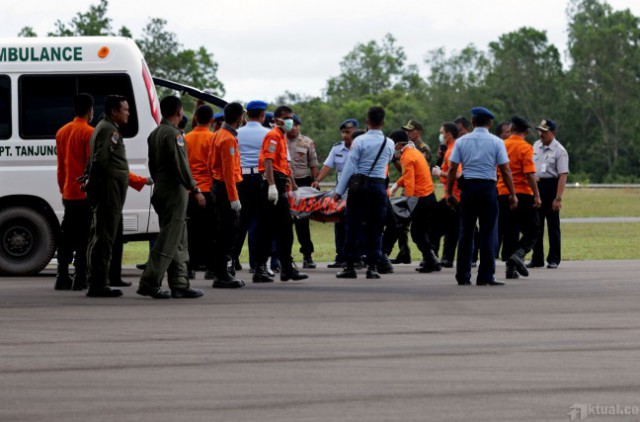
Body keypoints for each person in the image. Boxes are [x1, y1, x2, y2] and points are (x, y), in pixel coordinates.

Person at [137, 96, 204, 299]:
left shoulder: (155, 134)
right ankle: (150, 281)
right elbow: (181, 165)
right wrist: (195, 189)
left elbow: (152, 164)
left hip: (160, 188)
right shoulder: (174, 135)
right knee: (169, 239)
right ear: (179, 112)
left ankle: (179, 284)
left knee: (178, 237)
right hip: (174, 191)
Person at [446, 107, 517, 286]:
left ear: (472, 122)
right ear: (490, 123)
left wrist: (448, 192)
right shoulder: (497, 142)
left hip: (468, 188)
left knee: (466, 232)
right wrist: (512, 193)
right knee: (488, 233)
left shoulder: (461, 141)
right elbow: (505, 170)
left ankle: (463, 275)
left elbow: (452, 168)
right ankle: (485, 276)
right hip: (488, 188)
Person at [334, 106, 394, 279]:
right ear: (383, 122)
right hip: (379, 187)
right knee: (376, 227)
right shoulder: (389, 143)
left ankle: (350, 266)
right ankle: (373, 267)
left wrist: (339, 190)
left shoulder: (359, 141)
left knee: (352, 224)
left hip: (359, 186)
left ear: (367, 122)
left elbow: (350, 167)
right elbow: (387, 161)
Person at [253, 105, 308, 283]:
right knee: (270, 229)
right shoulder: (273, 135)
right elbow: (268, 161)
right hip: (273, 183)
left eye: (291, 117)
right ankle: (265, 268)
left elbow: (284, 164)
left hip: (280, 182)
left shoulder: (281, 137)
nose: (289, 121)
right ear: (277, 120)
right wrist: (271, 186)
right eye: (286, 118)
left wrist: (293, 185)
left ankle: (284, 267)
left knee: (281, 229)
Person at [84, 95, 131, 297]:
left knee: (102, 234)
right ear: (114, 111)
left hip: (109, 189)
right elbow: (100, 160)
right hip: (108, 190)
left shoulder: (105, 127)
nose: (128, 113)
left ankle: (97, 280)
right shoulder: (108, 130)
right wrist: (97, 187)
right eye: (125, 109)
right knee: (104, 236)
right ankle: (98, 283)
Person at [55, 93, 94, 291]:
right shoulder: (89, 133)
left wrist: (63, 188)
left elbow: (61, 167)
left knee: (66, 236)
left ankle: (62, 276)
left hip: (68, 192)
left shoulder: (62, 132)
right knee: (84, 237)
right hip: (84, 194)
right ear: (90, 111)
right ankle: (80, 277)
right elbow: (91, 167)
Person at [389, 130, 441, 273]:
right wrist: (396, 186)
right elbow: (408, 175)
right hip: (428, 196)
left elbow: (410, 184)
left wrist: (408, 205)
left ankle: (431, 260)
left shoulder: (407, 157)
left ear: (399, 144)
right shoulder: (414, 152)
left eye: (393, 143)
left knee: (417, 233)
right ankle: (431, 259)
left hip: (420, 198)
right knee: (422, 232)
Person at [497, 116, 542, 279]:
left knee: (511, 230)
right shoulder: (525, 147)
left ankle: (510, 269)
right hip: (522, 192)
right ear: (526, 132)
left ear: (511, 130)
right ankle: (520, 253)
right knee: (533, 228)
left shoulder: (502, 145)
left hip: (503, 192)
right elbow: (529, 174)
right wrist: (537, 195)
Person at [209, 102, 246, 288]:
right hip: (226, 189)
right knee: (228, 232)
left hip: (218, 186)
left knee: (221, 231)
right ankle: (222, 275)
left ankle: (220, 272)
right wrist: (234, 198)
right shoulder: (228, 139)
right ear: (239, 118)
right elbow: (229, 172)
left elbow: (211, 164)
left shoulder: (217, 134)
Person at [313, 119, 359, 268]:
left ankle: (357, 257)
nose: (345, 135)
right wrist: (317, 180)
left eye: (349, 132)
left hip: (358, 189)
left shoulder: (361, 146)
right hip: (341, 189)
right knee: (340, 222)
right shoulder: (337, 148)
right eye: (343, 132)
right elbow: (327, 166)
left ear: (356, 132)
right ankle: (341, 257)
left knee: (356, 223)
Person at [233, 100, 270, 273]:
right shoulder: (268, 134)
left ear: (246, 115)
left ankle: (232, 259)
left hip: (242, 178)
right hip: (260, 178)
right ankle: (256, 263)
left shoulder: (237, 133)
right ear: (263, 115)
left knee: (241, 221)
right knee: (258, 221)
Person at [528, 119, 569, 269]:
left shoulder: (560, 150)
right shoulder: (535, 145)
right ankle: (537, 258)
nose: (541, 134)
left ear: (552, 132)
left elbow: (563, 175)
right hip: (537, 187)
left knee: (553, 225)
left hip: (551, 187)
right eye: (540, 131)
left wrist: (558, 198)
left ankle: (554, 258)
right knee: (536, 225)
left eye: (544, 132)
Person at [184, 104, 216, 279]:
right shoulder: (213, 138)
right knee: (210, 231)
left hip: (190, 190)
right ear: (212, 120)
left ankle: (189, 267)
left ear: (195, 118)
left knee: (191, 231)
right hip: (209, 189)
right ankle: (210, 268)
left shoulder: (186, 138)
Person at [286, 114, 319, 269]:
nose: (293, 128)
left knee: (302, 222)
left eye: (296, 125)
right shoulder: (280, 140)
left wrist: (315, 181)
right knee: (285, 223)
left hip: (303, 184)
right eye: (290, 124)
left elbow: (313, 164)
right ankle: (284, 257)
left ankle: (307, 255)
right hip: (285, 184)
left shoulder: (307, 142)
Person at [430, 122, 461, 268]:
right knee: (452, 229)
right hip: (456, 196)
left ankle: (432, 257)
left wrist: (439, 172)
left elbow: (458, 174)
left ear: (449, 134)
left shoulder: (452, 151)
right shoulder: (453, 149)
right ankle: (447, 258)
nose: (440, 136)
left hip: (452, 196)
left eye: (442, 133)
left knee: (434, 227)